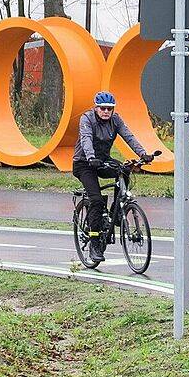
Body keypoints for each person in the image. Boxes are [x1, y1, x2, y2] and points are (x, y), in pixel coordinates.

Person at [72, 91, 154, 263]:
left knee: (124, 170)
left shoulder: (115, 120)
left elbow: (128, 136)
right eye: (103, 108)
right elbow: (86, 139)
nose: (106, 112)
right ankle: (94, 244)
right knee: (96, 201)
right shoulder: (87, 119)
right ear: (96, 108)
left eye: (109, 109)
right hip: (84, 163)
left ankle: (116, 213)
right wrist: (91, 157)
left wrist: (142, 153)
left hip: (102, 160)